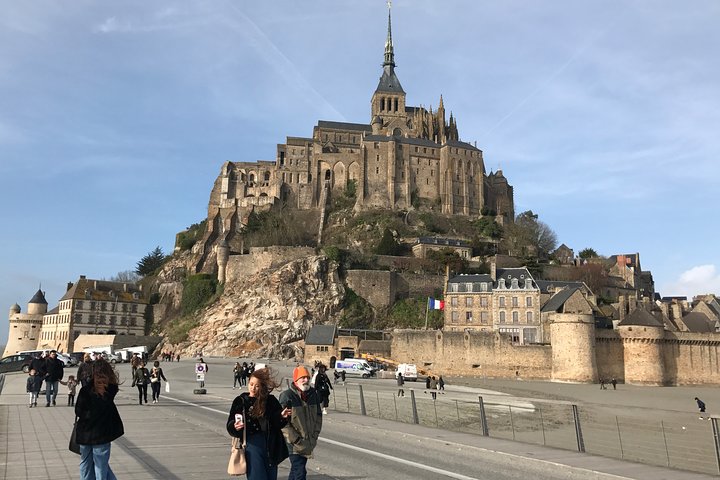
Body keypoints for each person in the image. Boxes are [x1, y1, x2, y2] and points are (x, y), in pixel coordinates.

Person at [226, 368, 291, 480]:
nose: (253, 388)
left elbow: (277, 423)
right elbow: (230, 424)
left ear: (262, 387)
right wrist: (235, 427)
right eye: (251, 384)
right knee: (257, 476)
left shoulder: (270, 400)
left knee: (271, 476)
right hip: (252, 445)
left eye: (257, 385)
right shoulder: (241, 401)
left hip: (271, 444)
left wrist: (282, 416)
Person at [75, 358, 124, 480]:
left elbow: (79, 411)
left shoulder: (91, 390)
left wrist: (100, 396)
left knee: (91, 464)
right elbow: (81, 410)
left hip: (91, 433)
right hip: (97, 433)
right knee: (98, 465)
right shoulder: (108, 390)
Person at [279, 366, 323, 480]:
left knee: (297, 470)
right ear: (295, 380)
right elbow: (283, 422)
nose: (305, 380)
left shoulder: (313, 394)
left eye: (307, 377)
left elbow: (318, 416)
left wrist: (315, 435)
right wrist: (296, 439)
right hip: (293, 443)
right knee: (299, 471)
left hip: (308, 440)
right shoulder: (287, 396)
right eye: (302, 378)